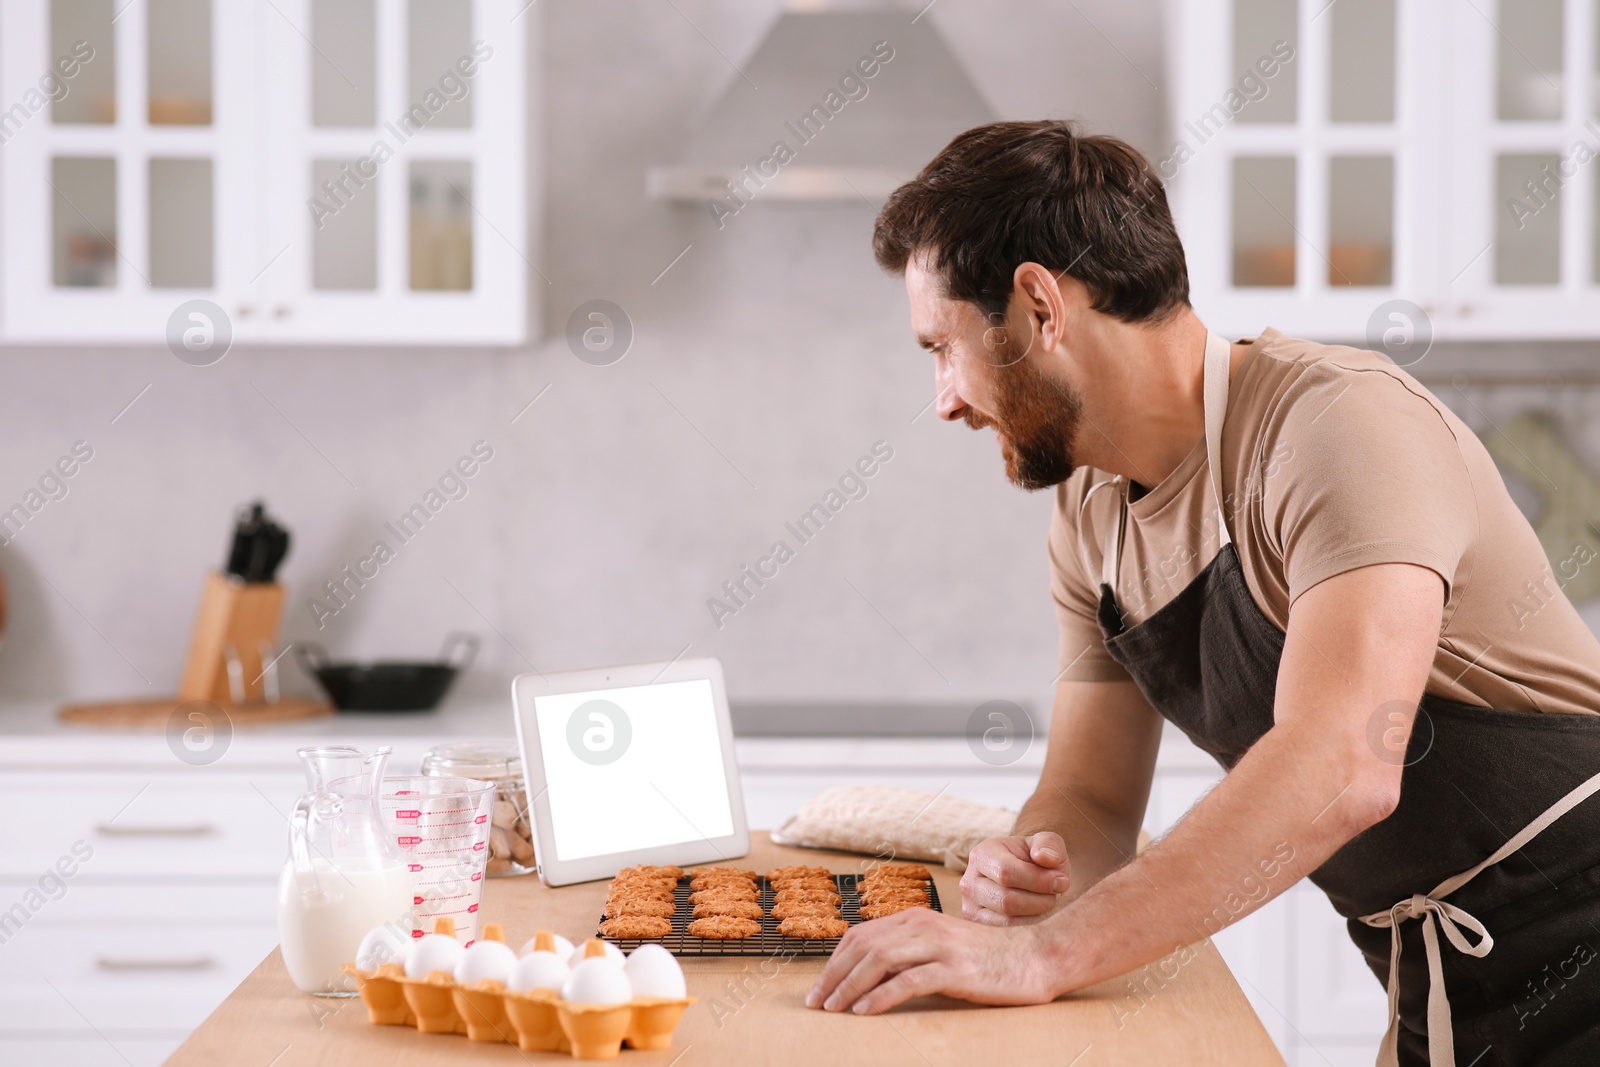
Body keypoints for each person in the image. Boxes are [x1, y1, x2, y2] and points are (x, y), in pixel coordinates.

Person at [806, 120, 1600, 1066]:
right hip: (1440, 984)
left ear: (1038, 305)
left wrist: (1046, 955)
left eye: (944, 347)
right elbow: (1093, 797)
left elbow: (1347, 760)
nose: (944, 399)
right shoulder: (1090, 516)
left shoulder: (1336, 425)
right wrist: (1035, 877)